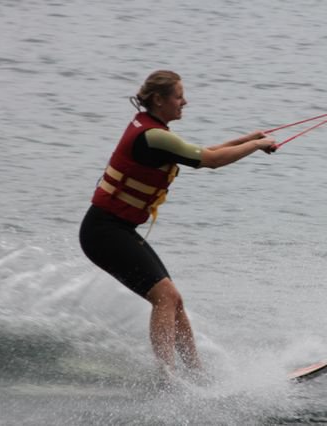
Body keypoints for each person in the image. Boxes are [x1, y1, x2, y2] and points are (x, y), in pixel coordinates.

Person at [79, 70, 276, 383]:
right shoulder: (153, 135)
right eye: (178, 96)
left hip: (115, 231)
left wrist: (248, 139)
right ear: (159, 99)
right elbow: (210, 160)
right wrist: (256, 146)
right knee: (165, 298)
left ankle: (197, 377)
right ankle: (167, 380)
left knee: (175, 300)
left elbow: (202, 153)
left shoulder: (155, 132)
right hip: (104, 232)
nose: (184, 102)